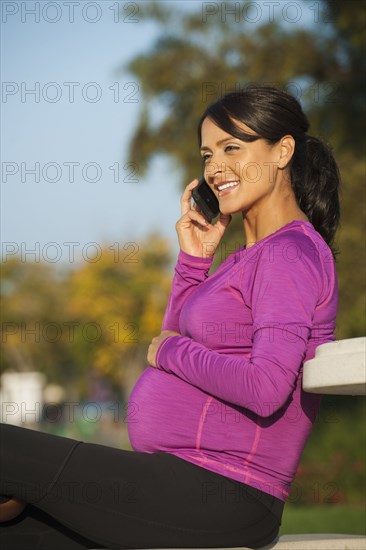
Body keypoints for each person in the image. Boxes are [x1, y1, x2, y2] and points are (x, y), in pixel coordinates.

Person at [0, 85, 340, 549]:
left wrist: (171, 351)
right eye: (207, 154)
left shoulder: (288, 254)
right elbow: (173, 339)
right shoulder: (245, 257)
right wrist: (194, 262)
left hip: (225, 493)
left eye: (232, 148)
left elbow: (264, 388)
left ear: (283, 151)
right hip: (179, 485)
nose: (216, 168)